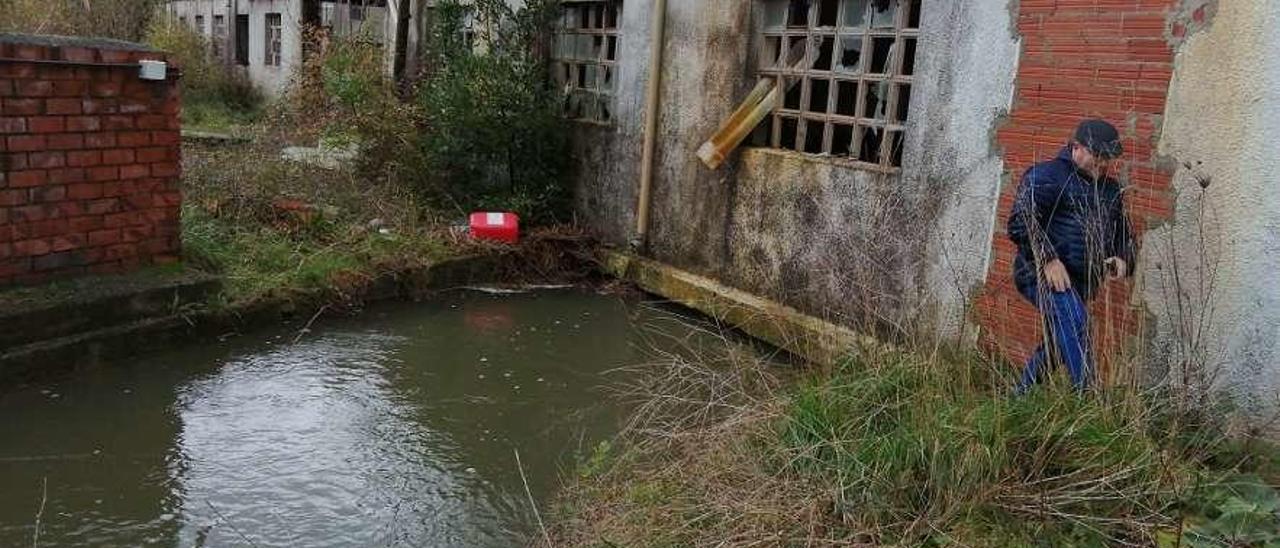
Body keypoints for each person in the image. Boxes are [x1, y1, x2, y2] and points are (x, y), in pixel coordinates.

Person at [1007, 119, 1135, 393]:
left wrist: (1122, 259)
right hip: (1040, 275)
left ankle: (1019, 397)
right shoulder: (1046, 175)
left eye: (1107, 158)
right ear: (1076, 148)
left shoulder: (1110, 190)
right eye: (1097, 156)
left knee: (1059, 341)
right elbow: (1021, 222)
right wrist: (1048, 260)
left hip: (1082, 282)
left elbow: (1123, 235)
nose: (1102, 163)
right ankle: (1087, 396)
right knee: (1077, 326)